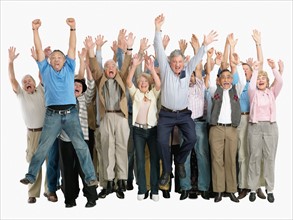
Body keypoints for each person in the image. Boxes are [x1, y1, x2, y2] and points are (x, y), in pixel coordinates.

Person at [19, 18, 98, 187]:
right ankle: (31, 175)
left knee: (81, 146)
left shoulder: (69, 68)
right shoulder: (45, 70)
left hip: (71, 114)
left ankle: (90, 177)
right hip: (52, 115)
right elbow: (39, 50)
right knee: (43, 146)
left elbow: (72, 47)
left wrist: (73, 29)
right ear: (49, 61)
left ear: (64, 61)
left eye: (59, 57)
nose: (56, 59)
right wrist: (35, 30)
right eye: (53, 57)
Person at [153, 13, 218, 189]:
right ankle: (167, 170)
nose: (177, 64)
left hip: (183, 115)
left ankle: (180, 161)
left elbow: (197, 59)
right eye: (174, 61)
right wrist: (157, 29)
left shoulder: (187, 72)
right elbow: (159, 49)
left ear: (183, 62)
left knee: (192, 138)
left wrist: (204, 45)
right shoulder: (166, 71)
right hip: (166, 115)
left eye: (180, 61)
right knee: (161, 141)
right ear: (170, 62)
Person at [9, 46, 60, 204]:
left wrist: (42, 58)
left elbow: (42, 75)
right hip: (32, 134)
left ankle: (50, 190)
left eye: (29, 80)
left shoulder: (41, 90)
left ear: (34, 82)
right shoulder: (21, 94)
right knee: (33, 161)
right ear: (23, 87)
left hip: (48, 132)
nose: (27, 82)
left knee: (51, 162)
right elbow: (12, 80)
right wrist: (10, 62)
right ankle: (32, 193)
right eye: (25, 82)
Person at [87, 31, 135, 199]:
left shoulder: (120, 77)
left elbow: (127, 63)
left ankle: (121, 183)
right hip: (106, 117)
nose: (111, 69)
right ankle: (107, 184)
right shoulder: (101, 79)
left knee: (121, 149)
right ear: (105, 70)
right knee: (107, 150)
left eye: (113, 67)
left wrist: (129, 47)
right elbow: (94, 67)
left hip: (121, 117)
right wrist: (93, 50)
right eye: (108, 67)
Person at [58, 48, 98, 208]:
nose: (76, 86)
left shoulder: (84, 98)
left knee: (85, 169)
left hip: (82, 139)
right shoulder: (62, 98)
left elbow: (91, 84)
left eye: (78, 85)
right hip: (65, 140)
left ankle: (91, 198)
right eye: (73, 84)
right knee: (67, 170)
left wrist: (85, 64)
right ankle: (70, 199)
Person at [208, 51, 246, 203]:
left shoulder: (236, 91)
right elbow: (210, 82)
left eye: (228, 77)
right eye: (223, 77)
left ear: (232, 80)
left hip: (231, 129)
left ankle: (231, 190)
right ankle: (218, 190)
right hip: (216, 129)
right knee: (217, 159)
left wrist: (236, 66)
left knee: (231, 159)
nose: (226, 80)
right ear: (219, 80)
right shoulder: (214, 91)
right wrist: (217, 63)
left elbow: (242, 80)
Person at [247, 59, 283, 203]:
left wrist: (274, 69)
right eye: (259, 78)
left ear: (268, 82)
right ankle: (252, 189)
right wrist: (255, 70)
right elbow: (250, 86)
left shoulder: (272, 93)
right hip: (255, 127)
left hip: (270, 127)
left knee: (269, 158)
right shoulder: (253, 93)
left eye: (263, 78)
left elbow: (280, 82)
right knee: (254, 158)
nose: (260, 80)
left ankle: (270, 189)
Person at [126, 54, 161, 201]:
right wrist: (134, 66)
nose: (143, 83)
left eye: (145, 81)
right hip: (138, 131)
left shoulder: (153, 93)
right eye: (140, 81)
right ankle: (141, 188)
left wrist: (152, 70)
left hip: (152, 130)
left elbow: (158, 84)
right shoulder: (136, 94)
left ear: (149, 83)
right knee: (139, 159)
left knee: (154, 159)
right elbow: (128, 81)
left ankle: (154, 190)